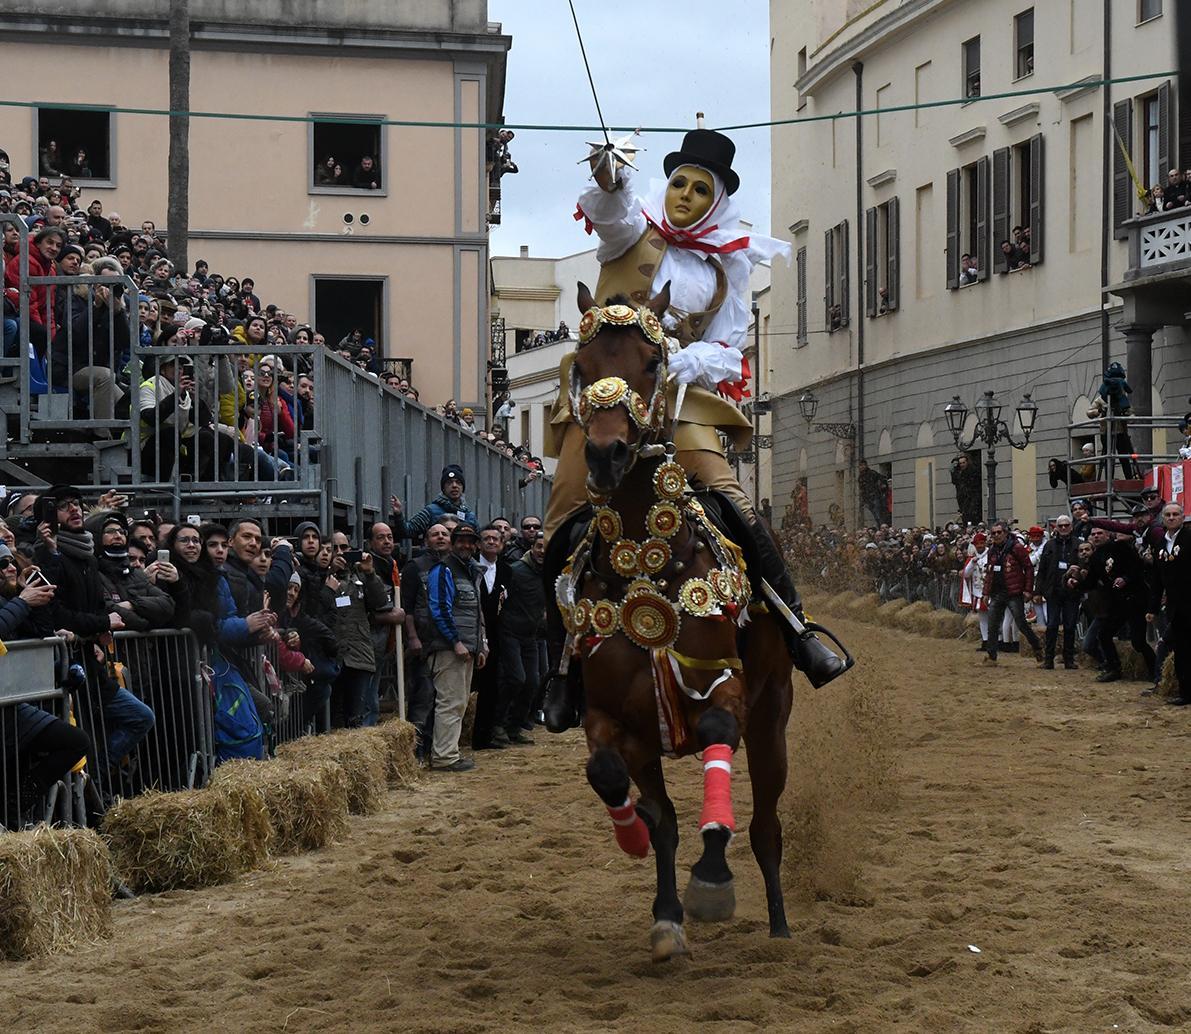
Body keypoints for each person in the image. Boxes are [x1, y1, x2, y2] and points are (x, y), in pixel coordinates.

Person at [542, 122, 843, 728]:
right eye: (679, 183)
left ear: (717, 200)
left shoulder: (727, 264)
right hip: (606, 399)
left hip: (677, 397)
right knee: (559, 527)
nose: (685, 196)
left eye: (700, 189)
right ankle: (562, 668)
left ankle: (797, 625)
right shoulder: (634, 228)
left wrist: (686, 361)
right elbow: (610, 209)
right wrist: (611, 174)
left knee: (733, 502)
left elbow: (730, 347)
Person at [32, 486, 155, 794]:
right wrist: (101, 623)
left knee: (140, 717)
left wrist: (97, 635)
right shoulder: (47, 554)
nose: (74, 509)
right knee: (80, 739)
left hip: (92, 665)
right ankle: (87, 796)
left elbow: (96, 605)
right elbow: (54, 613)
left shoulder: (88, 555)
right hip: (66, 670)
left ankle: (97, 779)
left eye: (76, 503)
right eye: (63, 506)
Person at [0, 542, 91, 823]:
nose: (10, 568)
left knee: (75, 741)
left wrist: (31, 598)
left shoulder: (10, 600)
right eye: (2, 565)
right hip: (8, 702)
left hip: (12, 703)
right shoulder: (14, 603)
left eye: (10, 562)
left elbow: (39, 633)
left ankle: (14, 804)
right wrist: (22, 601)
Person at [425, 524, 488, 771]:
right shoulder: (443, 570)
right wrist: (456, 641)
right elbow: (439, 609)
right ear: (453, 543)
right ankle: (444, 757)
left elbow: (476, 613)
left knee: (458, 702)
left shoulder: (470, 571)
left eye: (470, 541)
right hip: (449, 648)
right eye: (461, 540)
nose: (466, 545)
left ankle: (449, 752)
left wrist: (480, 645)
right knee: (450, 702)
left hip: (465, 647)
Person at [401, 522, 452, 760]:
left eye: (444, 534)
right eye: (435, 534)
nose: (440, 537)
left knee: (443, 698)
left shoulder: (455, 566)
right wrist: (412, 637)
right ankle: (417, 750)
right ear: (425, 541)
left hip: (447, 642)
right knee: (423, 695)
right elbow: (407, 607)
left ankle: (435, 747)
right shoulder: (415, 567)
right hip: (423, 641)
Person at [327, 531, 389, 727]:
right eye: (334, 548)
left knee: (357, 715)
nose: (339, 552)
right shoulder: (321, 575)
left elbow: (380, 601)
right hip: (332, 653)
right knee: (333, 715)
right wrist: (328, 571)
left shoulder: (360, 574)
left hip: (359, 653)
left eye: (344, 548)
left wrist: (370, 573)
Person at [1081, 527, 1155, 684]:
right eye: (1093, 534)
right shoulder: (1095, 557)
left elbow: (1138, 567)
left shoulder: (1120, 547)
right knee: (1104, 634)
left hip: (1135, 599)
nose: (1096, 536)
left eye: (1100, 533)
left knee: (1138, 642)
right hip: (1117, 603)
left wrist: (1126, 579)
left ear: (1108, 534)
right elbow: (1090, 583)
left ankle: (1155, 671)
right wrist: (1074, 583)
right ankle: (1113, 668)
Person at [499, 531, 548, 739]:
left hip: (532, 635)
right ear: (532, 548)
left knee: (533, 683)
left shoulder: (550, 572)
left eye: (546, 547)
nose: (542, 551)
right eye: (539, 546)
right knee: (516, 679)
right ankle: (498, 724)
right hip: (510, 632)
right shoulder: (516, 570)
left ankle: (514, 727)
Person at [471, 524, 516, 750]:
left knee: (491, 686)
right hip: (470, 631)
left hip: (496, 634)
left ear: (502, 544)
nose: (491, 542)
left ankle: (483, 737)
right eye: (486, 538)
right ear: (478, 544)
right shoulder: (470, 566)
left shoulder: (507, 571)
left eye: (495, 539)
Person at [1147, 503, 1190, 705]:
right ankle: (1186, 693)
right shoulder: (1160, 544)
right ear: (1163, 519)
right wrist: (1152, 608)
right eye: (1168, 515)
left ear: (1183, 517)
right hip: (1175, 607)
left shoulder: (1189, 538)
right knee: (1181, 650)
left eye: (1176, 514)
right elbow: (1157, 580)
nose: (1172, 518)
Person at [982, 521, 1042, 665]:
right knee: (992, 625)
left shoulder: (1016, 548)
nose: (996, 535)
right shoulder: (992, 550)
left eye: (999, 532)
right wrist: (986, 592)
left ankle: (1038, 648)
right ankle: (991, 656)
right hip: (997, 592)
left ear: (1006, 533)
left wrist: (1028, 590)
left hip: (1013, 592)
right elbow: (989, 573)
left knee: (1021, 623)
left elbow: (1028, 568)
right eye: (993, 533)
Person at [1034, 515, 1080, 669]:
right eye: (1060, 526)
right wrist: (1037, 592)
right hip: (1053, 591)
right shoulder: (1049, 545)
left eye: (1066, 525)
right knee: (1052, 625)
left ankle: (1069, 660)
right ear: (1056, 528)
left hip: (1072, 592)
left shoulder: (1078, 544)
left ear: (1071, 527)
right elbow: (1042, 570)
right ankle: (1048, 660)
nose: (1064, 528)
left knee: (1070, 626)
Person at [406, 465, 480, 542]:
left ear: (462, 488)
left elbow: (478, 542)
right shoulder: (430, 511)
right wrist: (399, 515)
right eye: (449, 483)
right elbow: (408, 530)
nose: (454, 485)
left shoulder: (470, 516)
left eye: (458, 482)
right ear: (443, 488)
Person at [950, 455, 982, 526]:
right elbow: (954, 481)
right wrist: (953, 471)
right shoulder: (959, 472)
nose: (962, 465)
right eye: (960, 463)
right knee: (964, 515)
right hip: (962, 497)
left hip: (971, 496)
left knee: (971, 514)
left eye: (963, 463)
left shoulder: (972, 470)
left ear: (967, 462)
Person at [857, 459, 890, 527]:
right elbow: (861, 489)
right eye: (860, 466)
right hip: (867, 499)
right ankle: (879, 526)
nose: (861, 467)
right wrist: (863, 500)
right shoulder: (860, 477)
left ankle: (882, 526)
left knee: (878, 513)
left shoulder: (872, 473)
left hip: (875, 496)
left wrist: (883, 489)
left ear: (866, 465)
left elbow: (882, 479)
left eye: (863, 465)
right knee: (874, 514)